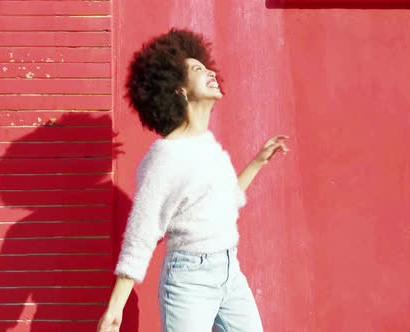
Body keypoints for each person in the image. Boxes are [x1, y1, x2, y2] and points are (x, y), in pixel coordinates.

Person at [97, 28, 289, 332]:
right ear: (179, 90)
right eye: (197, 69)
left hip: (230, 272)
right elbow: (142, 234)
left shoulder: (207, 145)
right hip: (190, 279)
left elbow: (224, 203)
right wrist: (115, 308)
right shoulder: (164, 157)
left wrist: (257, 162)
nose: (210, 71)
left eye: (206, 65)